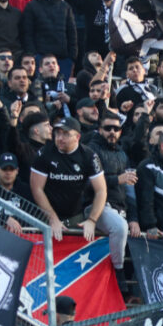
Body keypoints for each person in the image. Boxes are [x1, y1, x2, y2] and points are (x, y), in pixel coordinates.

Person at [29, 117, 129, 289]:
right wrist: (52, 218)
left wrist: (92, 220)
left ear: (77, 137)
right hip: (49, 212)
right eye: (57, 133)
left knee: (120, 226)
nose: (60, 138)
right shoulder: (45, 153)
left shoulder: (89, 155)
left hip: (80, 210)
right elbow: (36, 188)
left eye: (65, 134)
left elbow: (101, 190)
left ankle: (118, 271)